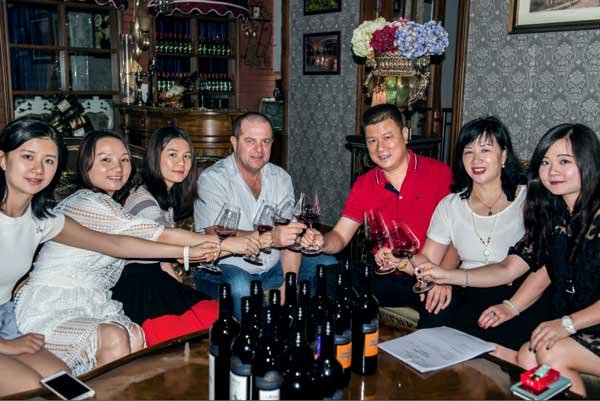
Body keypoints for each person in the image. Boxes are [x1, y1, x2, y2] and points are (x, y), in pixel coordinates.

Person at [14, 129, 260, 376]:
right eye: (105, 159)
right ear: (86, 164)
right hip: (54, 303)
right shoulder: (86, 202)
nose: (117, 167)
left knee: (135, 337)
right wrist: (222, 245)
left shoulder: (113, 205)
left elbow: (135, 240)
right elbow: (152, 235)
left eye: (124, 160)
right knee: (118, 337)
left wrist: (195, 250)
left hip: (93, 299)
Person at [416, 123, 600, 396]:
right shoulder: (555, 214)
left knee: (550, 351)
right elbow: (521, 267)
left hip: (584, 322)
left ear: (588, 162)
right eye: (546, 162)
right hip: (576, 320)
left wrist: (566, 324)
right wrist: (510, 306)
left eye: (564, 161)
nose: (552, 171)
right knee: (525, 356)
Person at [375, 116, 550, 350]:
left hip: (518, 293)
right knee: (434, 327)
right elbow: (429, 260)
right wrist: (402, 261)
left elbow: (528, 266)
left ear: (504, 155)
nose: (476, 160)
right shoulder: (451, 205)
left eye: (485, 150)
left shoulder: (529, 200)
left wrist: (447, 276)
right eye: (468, 152)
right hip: (468, 292)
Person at [301, 103, 455, 326]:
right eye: (372, 140)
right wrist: (322, 242)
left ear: (405, 134)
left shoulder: (438, 173)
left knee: (440, 311)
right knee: (329, 277)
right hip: (384, 275)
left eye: (387, 137)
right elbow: (341, 236)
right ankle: (336, 343)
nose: (380, 147)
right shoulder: (365, 183)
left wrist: (445, 276)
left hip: (428, 274)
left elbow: (458, 236)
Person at [194, 112, 337, 317]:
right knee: (242, 286)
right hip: (223, 267)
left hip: (273, 267)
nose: (259, 149)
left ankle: (308, 328)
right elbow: (216, 234)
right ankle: (258, 336)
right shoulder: (213, 179)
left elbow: (288, 237)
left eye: (266, 141)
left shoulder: (280, 178)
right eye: (250, 141)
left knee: (327, 265)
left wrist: (289, 281)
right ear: (234, 142)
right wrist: (270, 238)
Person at [111, 127, 227, 345]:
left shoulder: (164, 196)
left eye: (187, 156)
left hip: (154, 277)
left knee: (217, 316)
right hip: (136, 286)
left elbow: (160, 254)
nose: (181, 163)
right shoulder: (142, 198)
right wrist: (226, 244)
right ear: (155, 157)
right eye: (172, 154)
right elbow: (166, 238)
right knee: (194, 331)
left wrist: (174, 278)